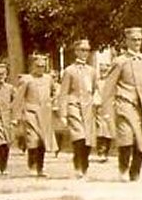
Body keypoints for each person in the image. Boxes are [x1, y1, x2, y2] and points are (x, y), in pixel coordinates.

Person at [101, 27, 142, 183]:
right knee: (126, 138)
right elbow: (108, 88)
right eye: (133, 40)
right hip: (124, 105)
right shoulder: (119, 62)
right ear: (127, 41)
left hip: (141, 107)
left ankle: (135, 173)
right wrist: (106, 111)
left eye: (139, 39)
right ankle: (123, 170)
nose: (137, 42)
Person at [59, 40, 98, 179]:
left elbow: (93, 89)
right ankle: (78, 166)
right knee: (79, 136)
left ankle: (84, 165)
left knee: (88, 139)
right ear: (76, 51)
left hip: (87, 107)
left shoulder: (92, 71)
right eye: (82, 50)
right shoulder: (69, 71)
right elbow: (63, 93)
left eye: (87, 50)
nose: (85, 53)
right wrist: (63, 114)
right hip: (73, 105)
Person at [13, 53, 57, 177]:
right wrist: (16, 117)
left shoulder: (48, 79)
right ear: (33, 65)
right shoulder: (26, 79)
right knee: (33, 140)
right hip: (31, 113)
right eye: (38, 66)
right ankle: (32, 166)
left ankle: (40, 168)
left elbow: (54, 91)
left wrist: (52, 102)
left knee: (43, 141)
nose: (40, 68)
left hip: (44, 114)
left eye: (43, 66)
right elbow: (18, 99)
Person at [94, 62, 114, 164]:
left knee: (108, 131)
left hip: (110, 109)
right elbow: (94, 93)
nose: (103, 73)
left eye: (105, 71)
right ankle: (101, 152)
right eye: (101, 71)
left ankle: (106, 152)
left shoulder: (112, 82)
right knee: (100, 130)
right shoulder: (97, 82)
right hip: (100, 109)